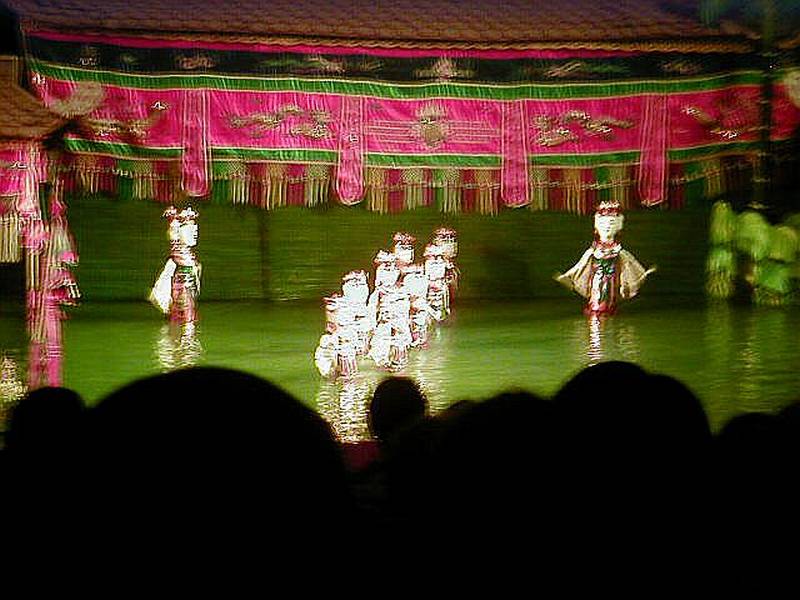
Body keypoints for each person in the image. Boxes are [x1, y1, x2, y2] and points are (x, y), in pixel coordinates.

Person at [555, 201, 655, 316]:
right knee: (597, 295)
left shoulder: (618, 250)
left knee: (610, 296)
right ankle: (595, 308)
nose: (607, 226)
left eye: (611, 223)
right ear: (597, 227)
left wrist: (642, 273)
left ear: (618, 227)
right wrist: (567, 276)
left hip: (612, 279)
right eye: (603, 224)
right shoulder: (593, 250)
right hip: (597, 278)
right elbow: (580, 265)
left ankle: (609, 308)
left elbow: (629, 263)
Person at [149, 206, 202, 324]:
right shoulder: (178, 254)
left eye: (196, 231)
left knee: (187, 314)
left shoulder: (188, 255)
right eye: (191, 231)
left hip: (187, 284)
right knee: (185, 314)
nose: (195, 234)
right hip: (182, 283)